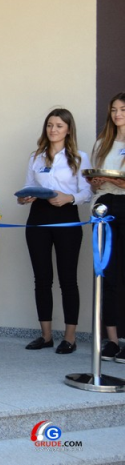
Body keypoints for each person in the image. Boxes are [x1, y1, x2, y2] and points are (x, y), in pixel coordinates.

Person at [18, 109, 91, 354]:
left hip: (66, 216)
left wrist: (69, 198)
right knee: (42, 278)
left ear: (68, 129)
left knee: (68, 279)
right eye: (50, 125)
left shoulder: (79, 157)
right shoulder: (36, 157)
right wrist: (24, 197)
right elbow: (28, 186)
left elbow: (87, 192)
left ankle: (70, 337)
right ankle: (46, 335)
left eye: (59, 125)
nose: (53, 130)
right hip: (38, 216)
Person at [88, 93, 125, 363]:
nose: (117, 114)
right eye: (114, 110)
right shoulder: (102, 143)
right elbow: (93, 179)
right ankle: (111, 340)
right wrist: (96, 182)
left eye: (123, 109)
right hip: (105, 206)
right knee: (108, 272)